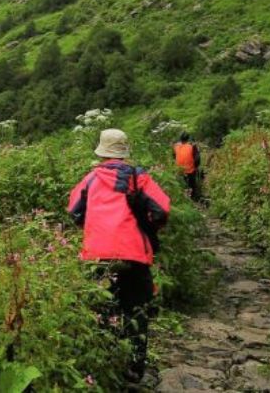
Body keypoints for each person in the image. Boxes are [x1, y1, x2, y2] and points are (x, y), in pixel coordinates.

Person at [68, 128, 170, 385]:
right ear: (124, 152)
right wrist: (146, 228)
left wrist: (96, 229)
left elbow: (74, 212)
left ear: (101, 152)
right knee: (136, 312)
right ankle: (134, 369)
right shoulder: (138, 178)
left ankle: (102, 365)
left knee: (101, 309)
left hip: (97, 256)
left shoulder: (90, 180)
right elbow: (162, 210)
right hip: (134, 255)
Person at [173, 132, 201, 200]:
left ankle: (184, 197)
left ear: (180, 139)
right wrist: (196, 167)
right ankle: (194, 197)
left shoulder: (176, 146)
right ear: (188, 139)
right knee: (192, 185)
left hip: (179, 171)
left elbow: (174, 156)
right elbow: (197, 159)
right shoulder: (192, 147)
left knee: (182, 186)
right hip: (190, 171)